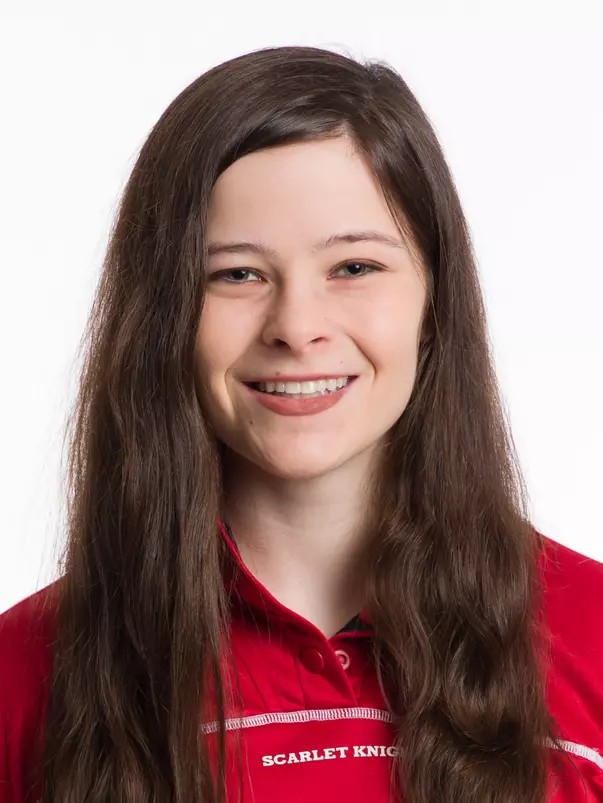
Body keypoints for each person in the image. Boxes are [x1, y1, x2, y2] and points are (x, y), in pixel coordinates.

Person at [0, 44, 602, 803]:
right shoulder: (21, 677)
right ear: (163, 318)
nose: (296, 324)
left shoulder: (595, 637)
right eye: (236, 274)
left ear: (433, 301)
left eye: (353, 266)